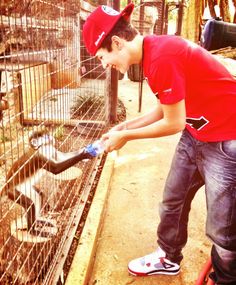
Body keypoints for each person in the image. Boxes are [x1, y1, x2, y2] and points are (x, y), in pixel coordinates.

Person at [82, 3, 236, 284]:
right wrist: (124, 126)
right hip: (196, 133)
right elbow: (166, 109)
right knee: (172, 201)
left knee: (223, 229)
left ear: (117, 42)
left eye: (102, 56)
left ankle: (225, 277)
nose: (104, 65)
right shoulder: (152, 53)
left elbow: (173, 122)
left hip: (227, 139)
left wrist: (126, 137)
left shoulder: (162, 56)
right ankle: (168, 258)